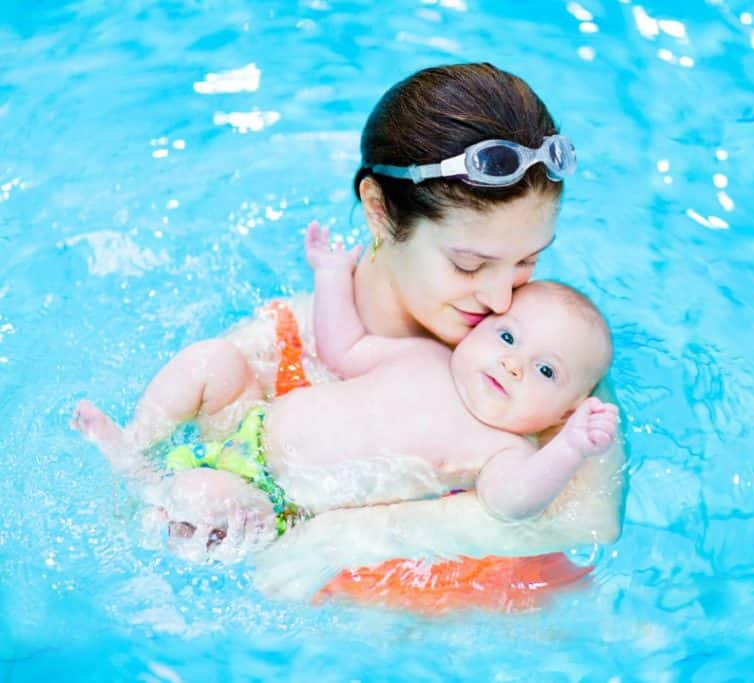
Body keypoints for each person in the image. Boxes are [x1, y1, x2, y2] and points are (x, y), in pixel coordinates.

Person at [72, 223, 618, 549]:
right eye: (506, 336)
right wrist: (331, 277)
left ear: (563, 413)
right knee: (210, 360)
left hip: (276, 497)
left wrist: (570, 450)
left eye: (546, 371)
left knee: (203, 496)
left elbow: (512, 505)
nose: (515, 365)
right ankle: (138, 443)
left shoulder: (505, 449)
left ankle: (152, 489)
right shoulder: (427, 355)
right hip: (252, 421)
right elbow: (344, 349)